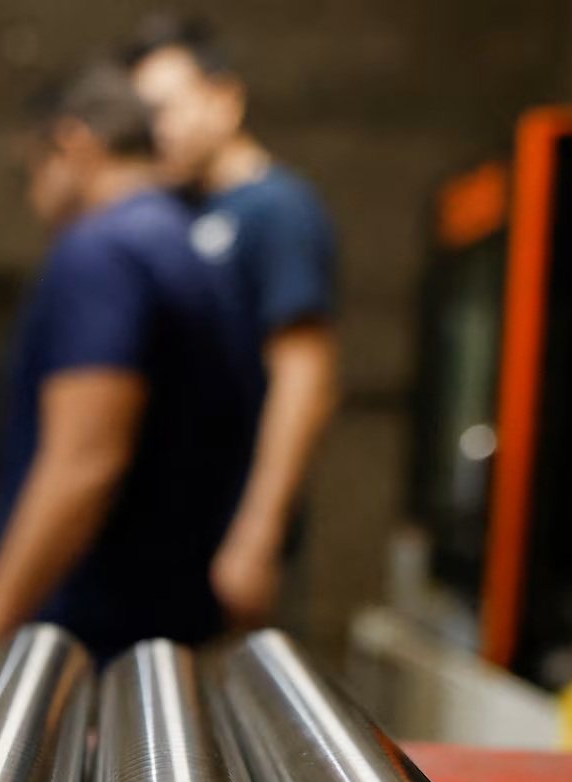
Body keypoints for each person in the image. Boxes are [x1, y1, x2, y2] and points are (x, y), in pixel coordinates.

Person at [0, 61, 263, 659]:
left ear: (75, 144)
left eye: (35, 170)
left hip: (86, 640)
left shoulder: (100, 251)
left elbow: (86, 462)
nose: (34, 197)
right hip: (170, 632)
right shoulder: (192, 249)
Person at [126, 15, 339, 628]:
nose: (155, 131)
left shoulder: (277, 210)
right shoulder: (181, 211)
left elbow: (305, 379)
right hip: (173, 538)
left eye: (166, 109)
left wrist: (257, 534)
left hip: (229, 541)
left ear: (225, 100)